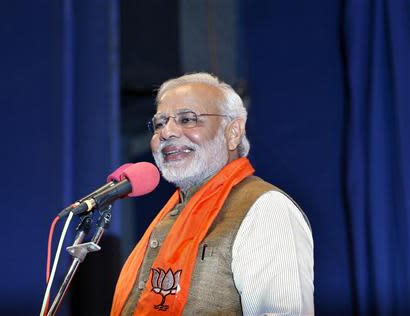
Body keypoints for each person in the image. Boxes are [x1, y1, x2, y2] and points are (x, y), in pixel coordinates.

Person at [111, 73, 314, 315]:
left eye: (187, 119)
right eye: (160, 123)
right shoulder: (169, 218)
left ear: (233, 132)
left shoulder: (265, 208)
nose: (167, 132)